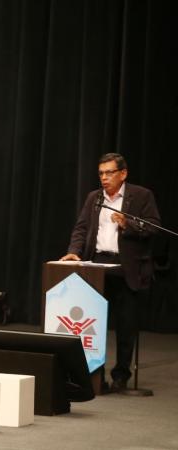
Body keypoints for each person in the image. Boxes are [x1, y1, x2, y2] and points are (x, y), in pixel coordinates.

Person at [60, 153, 161, 392]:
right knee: (92, 322)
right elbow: (81, 228)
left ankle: (121, 375)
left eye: (109, 173)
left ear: (123, 174)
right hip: (97, 265)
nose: (104, 178)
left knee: (126, 324)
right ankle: (95, 375)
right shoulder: (94, 198)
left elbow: (153, 226)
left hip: (127, 267)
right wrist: (73, 251)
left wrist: (128, 224)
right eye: (101, 173)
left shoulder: (141, 196)